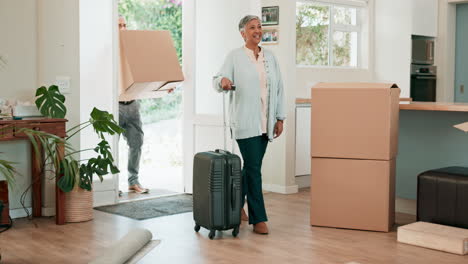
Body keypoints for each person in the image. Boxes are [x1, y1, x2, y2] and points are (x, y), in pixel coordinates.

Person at [213, 15, 286, 235]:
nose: (257, 30)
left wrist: (280, 118)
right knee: (254, 169)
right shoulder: (234, 57)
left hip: (267, 121)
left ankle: (234, 206)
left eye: (259, 27)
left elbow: (280, 87)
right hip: (245, 121)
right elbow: (218, 79)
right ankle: (259, 219)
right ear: (243, 33)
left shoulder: (270, 57)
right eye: (252, 27)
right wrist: (223, 82)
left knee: (250, 168)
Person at [118, 16, 148, 194]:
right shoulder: (110, 52)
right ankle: (112, 184)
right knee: (111, 145)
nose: (123, 28)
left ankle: (133, 181)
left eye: (124, 25)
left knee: (136, 143)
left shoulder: (133, 50)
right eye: (119, 25)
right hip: (115, 105)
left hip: (133, 104)